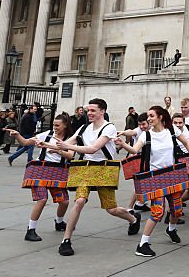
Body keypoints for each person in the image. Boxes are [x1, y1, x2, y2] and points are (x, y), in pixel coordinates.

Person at [52, 98, 141, 257]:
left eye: (93, 110)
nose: (89, 113)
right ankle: (66, 240)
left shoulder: (110, 128)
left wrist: (67, 146)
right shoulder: (84, 127)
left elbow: (93, 149)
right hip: (85, 169)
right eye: (88, 110)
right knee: (79, 201)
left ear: (102, 111)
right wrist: (48, 145)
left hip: (104, 169)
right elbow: (66, 144)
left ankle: (133, 219)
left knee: (111, 208)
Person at [116, 106, 189, 257]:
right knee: (157, 212)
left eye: (151, 116)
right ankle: (143, 244)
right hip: (155, 178)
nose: (148, 119)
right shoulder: (145, 135)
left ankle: (171, 229)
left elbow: (187, 144)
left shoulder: (172, 130)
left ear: (160, 117)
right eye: (148, 116)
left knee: (177, 209)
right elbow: (135, 150)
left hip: (173, 175)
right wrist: (123, 144)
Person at [6, 112, 74, 241]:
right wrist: (17, 135)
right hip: (40, 170)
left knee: (64, 201)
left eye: (57, 125)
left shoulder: (70, 139)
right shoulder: (46, 135)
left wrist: (58, 151)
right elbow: (26, 142)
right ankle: (30, 229)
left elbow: (71, 156)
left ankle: (59, 222)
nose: (55, 127)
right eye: (54, 124)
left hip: (58, 172)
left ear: (65, 125)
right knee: (42, 199)